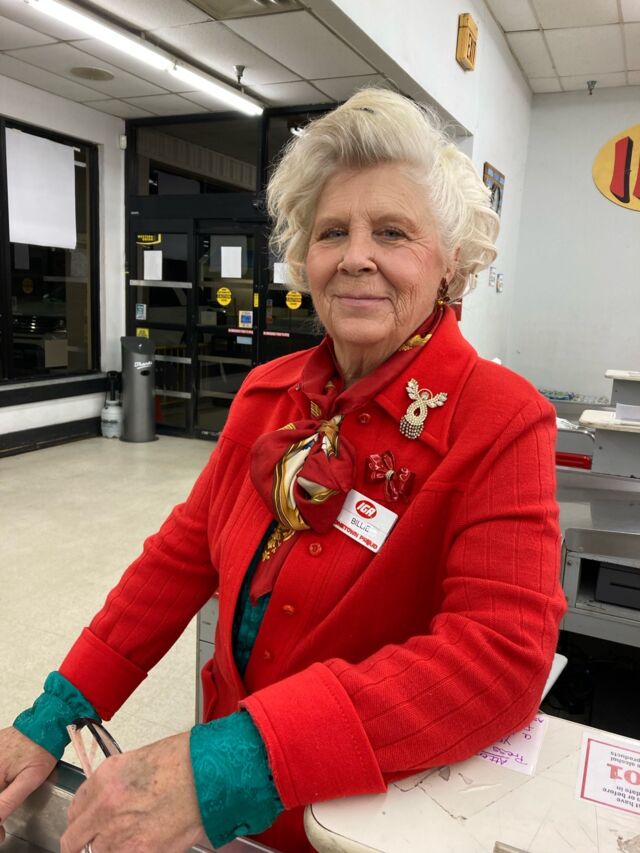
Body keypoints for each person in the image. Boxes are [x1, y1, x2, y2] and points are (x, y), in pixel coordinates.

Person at [0, 89, 566, 853]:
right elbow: (180, 558)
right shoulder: (269, 393)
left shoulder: (500, 418)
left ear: (450, 262)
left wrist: (230, 764)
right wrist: (55, 712)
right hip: (228, 812)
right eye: (333, 232)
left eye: (392, 231)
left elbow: (498, 658)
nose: (356, 256)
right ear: (307, 257)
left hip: (357, 818)